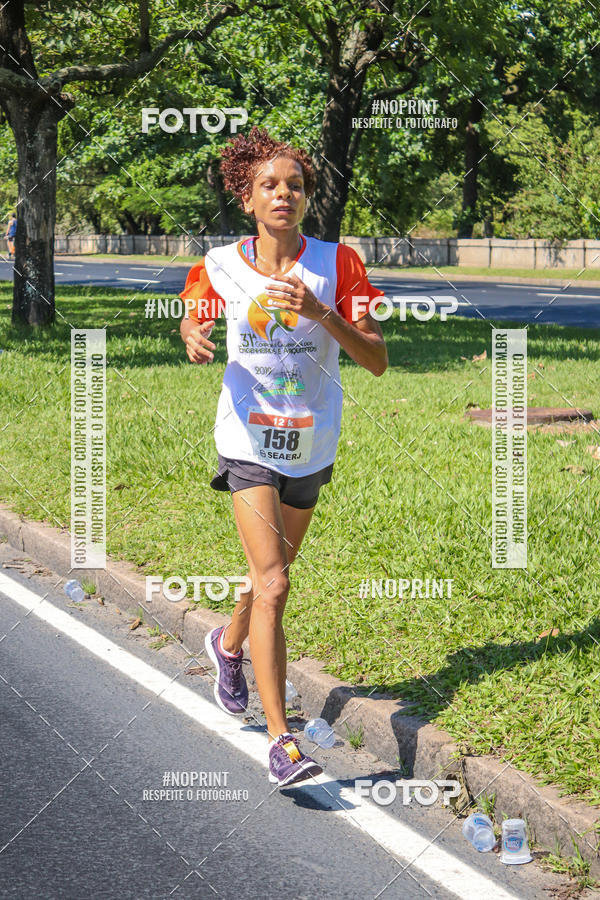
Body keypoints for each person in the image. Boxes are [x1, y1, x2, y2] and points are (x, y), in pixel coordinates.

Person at [179, 125, 387, 788]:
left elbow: (377, 361)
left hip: (310, 441)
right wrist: (193, 330)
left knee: (268, 578)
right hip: (246, 440)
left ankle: (228, 644)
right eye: (269, 184)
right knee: (273, 583)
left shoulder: (339, 264)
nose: (284, 194)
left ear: (306, 198)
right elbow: (193, 313)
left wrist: (324, 314)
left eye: (295, 184)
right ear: (247, 197)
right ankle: (282, 742)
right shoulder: (217, 265)